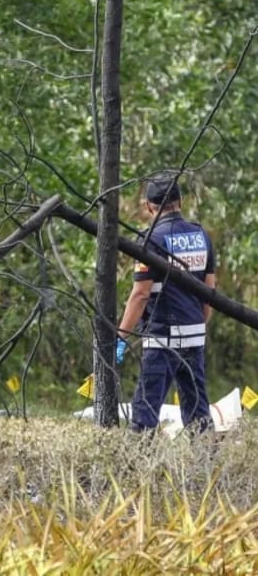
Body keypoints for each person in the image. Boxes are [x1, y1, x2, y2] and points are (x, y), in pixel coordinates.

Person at [115, 174, 216, 434]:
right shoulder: (201, 235)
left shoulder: (151, 240)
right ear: (180, 201)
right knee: (198, 415)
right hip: (194, 336)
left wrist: (121, 337)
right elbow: (209, 291)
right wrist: (197, 325)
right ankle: (206, 471)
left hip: (162, 340)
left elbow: (140, 295)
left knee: (144, 414)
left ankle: (132, 471)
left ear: (150, 207)